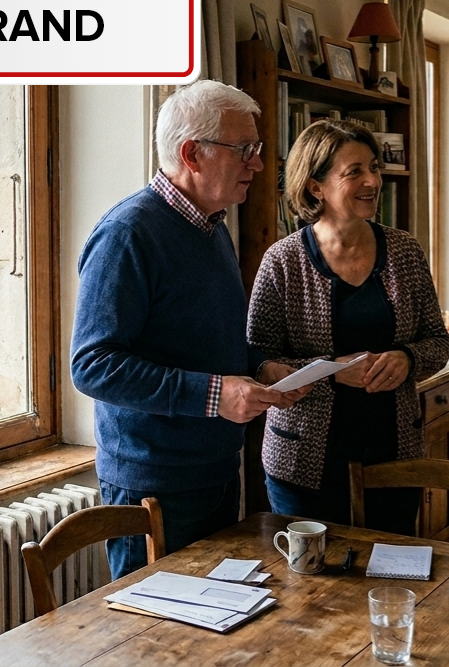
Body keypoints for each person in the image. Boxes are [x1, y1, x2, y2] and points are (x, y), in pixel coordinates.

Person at [71, 80, 307, 579]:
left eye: (257, 150)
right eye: (244, 150)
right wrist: (215, 394)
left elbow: (198, 340)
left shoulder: (211, 226)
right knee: (155, 646)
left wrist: (258, 368)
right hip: (153, 484)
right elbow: (93, 366)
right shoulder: (127, 233)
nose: (259, 164)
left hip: (215, 469)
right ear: (191, 154)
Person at [248, 119, 449, 534]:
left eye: (373, 167)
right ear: (315, 186)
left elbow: (438, 341)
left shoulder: (405, 251)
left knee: (391, 574)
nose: (372, 180)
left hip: (395, 455)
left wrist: (407, 358)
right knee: (309, 591)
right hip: (303, 463)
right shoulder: (282, 261)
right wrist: (333, 372)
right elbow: (257, 359)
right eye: (354, 171)